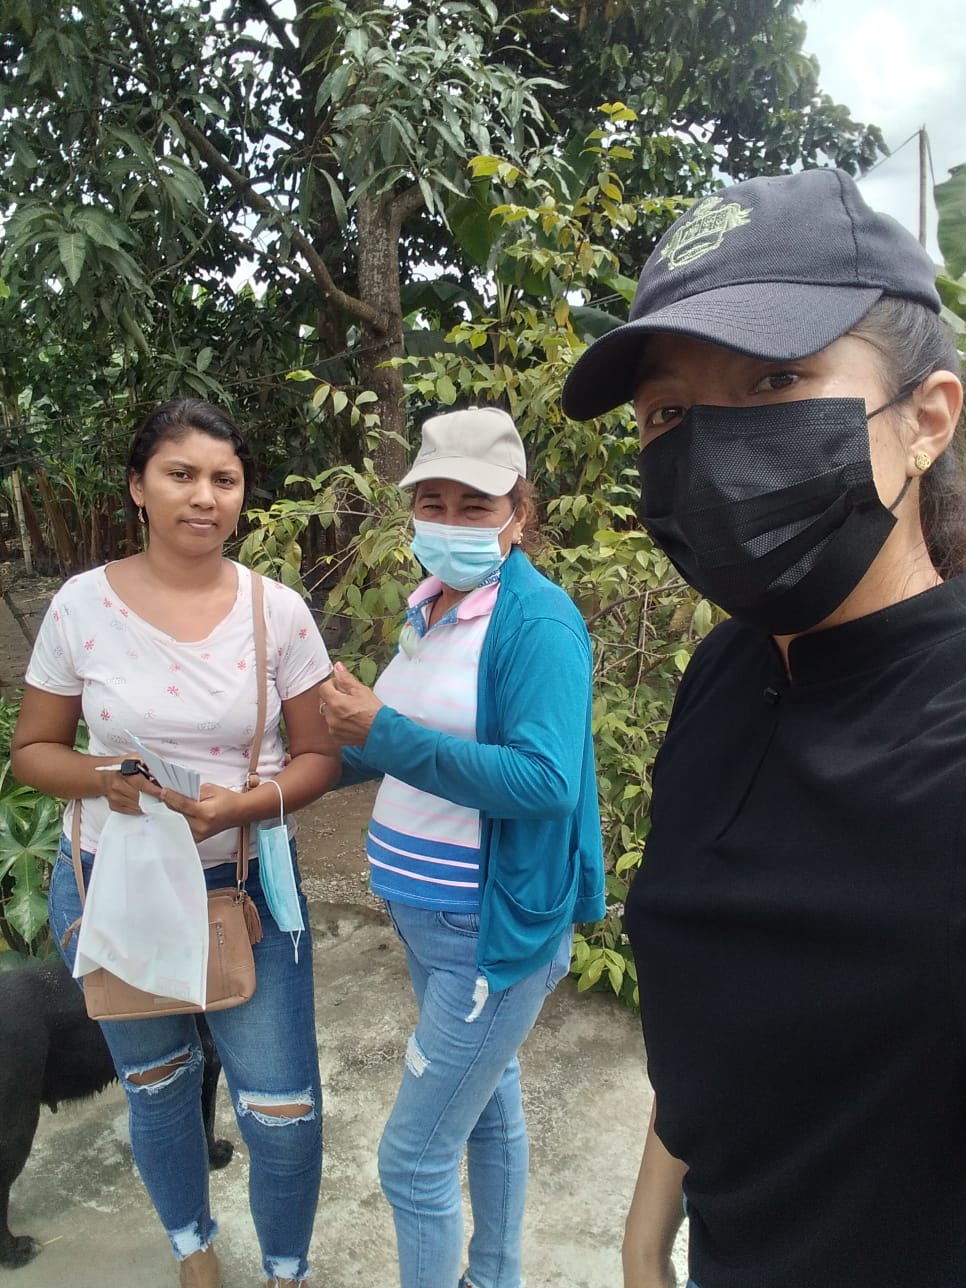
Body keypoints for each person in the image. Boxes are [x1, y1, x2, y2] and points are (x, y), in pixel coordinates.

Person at [561, 167, 966, 1288]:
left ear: (927, 420)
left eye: (776, 378)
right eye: (670, 413)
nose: (708, 449)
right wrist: (646, 1236)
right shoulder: (728, 669)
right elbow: (718, 1009)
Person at [10, 398, 341, 1288]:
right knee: (156, 1087)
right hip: (113, 885)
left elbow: (319, 756)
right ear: (138, 487)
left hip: (245, 888)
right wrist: (104, 777)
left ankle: (286, 1270)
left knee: (282, 1111)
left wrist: (245, 804)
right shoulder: (81, 607)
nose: (204, 496)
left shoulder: (278, 612)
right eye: (181, 474)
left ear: (242, 496)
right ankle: (193, 1250)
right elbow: (34, 750)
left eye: (224, 479)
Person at [319, 406, 605, 1288]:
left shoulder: (538, 624)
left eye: (474, 505)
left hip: (488, 934)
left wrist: (385, 730)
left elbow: (545, 782)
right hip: (425, 922)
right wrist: (277, 778)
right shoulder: (432, 605)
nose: (449, 522)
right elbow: (388, 745)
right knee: (487, 1105)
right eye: (432, 502)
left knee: (411, 1159)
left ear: (519, 512)